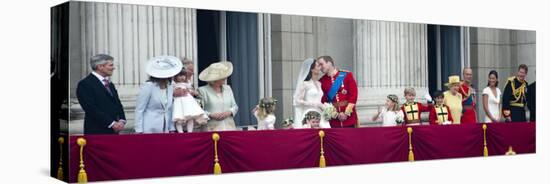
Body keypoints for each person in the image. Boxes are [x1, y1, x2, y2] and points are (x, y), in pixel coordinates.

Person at [76, 54, 126, 134]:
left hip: (114, 131)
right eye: (110, 65)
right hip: (97, 131)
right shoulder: (85, 84)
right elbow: (91, 108)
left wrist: (122, 120)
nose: (113, 68)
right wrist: (112, 123)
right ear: (100, 67)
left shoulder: (110, 84)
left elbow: (117, 104)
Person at [134, 56, 181, 134]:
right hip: (148, 128)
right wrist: (139, 130)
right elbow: (139, 109)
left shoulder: (170, 86)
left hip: (165, 128)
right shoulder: (148, 86)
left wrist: (171, 127)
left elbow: (169, 109)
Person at [318, 56, 359, 128]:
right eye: (318, 65)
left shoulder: (347, 75)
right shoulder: (322, 81)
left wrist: (346, 113)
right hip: (334, 121)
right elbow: (323, 101)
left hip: (349, 119)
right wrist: (335, 114)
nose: (320, 67)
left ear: (329, 63)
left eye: (321, 64)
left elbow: (353, 96)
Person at [198, 61, 239, 131]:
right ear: (214, 79)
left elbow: (235, 106)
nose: (225, 78)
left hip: (229, 128)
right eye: (222, 76)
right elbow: (198, 110)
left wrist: (229, 112)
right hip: (211, 129)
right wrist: (211, 115)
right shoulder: (202, 90)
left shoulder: (228, 88)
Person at [293, 58, 330, 129]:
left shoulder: (319, 83)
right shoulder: (305, 84)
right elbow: (298, 100)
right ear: (312, 69)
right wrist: (314, 104)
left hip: (320, 112)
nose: (320, 67)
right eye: (318, 66)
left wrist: (324, 106)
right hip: (309, 113)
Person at [172, 68, 208, 133]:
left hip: (188, 102)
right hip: (179, 102)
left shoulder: (187, 83)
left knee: (191, 117)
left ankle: (190, 132)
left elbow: (191, 90)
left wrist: (191, 91)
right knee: (178, 117)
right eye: (180, 76)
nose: (182, 77)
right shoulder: (174, 84)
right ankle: (180, 132)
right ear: (175, 76)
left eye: (183, 75)